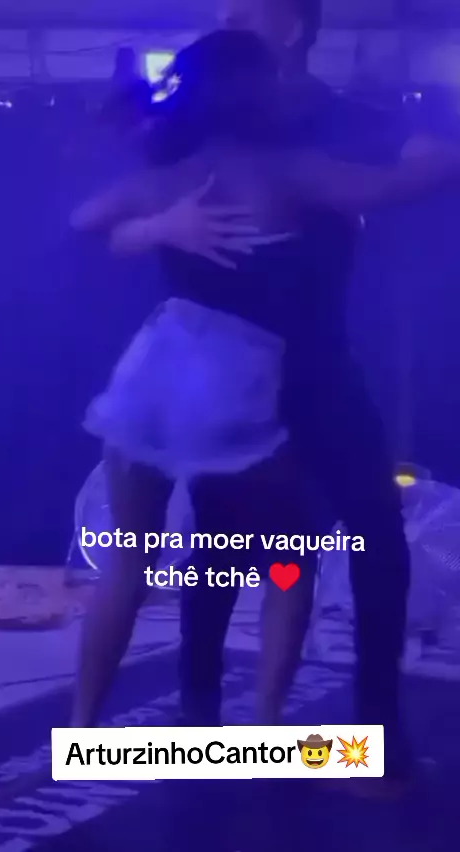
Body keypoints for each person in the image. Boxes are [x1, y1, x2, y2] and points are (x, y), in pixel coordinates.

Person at [69, 28, 460, 770]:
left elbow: (85, 221)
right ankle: (267, 730)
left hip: (152, 379)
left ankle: (85, 732)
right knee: (288, 557)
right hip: (233, 389)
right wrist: (443, 139)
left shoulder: (171, 173)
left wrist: (157, 223)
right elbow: (392, 187)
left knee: (131, 563)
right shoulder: (288, 168)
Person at [175, 0, 454, 788]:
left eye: (244, 12)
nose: (226, 21)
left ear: (291, 27)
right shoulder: (209, 105)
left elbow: (431, 157)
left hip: (315, 355)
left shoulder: (337, 117)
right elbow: (118, 202)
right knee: (220, 534)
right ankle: (198, 717)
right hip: (227, 358)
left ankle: (379, 725)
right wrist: (165, 223)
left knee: (375, 528)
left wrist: (364, 181)